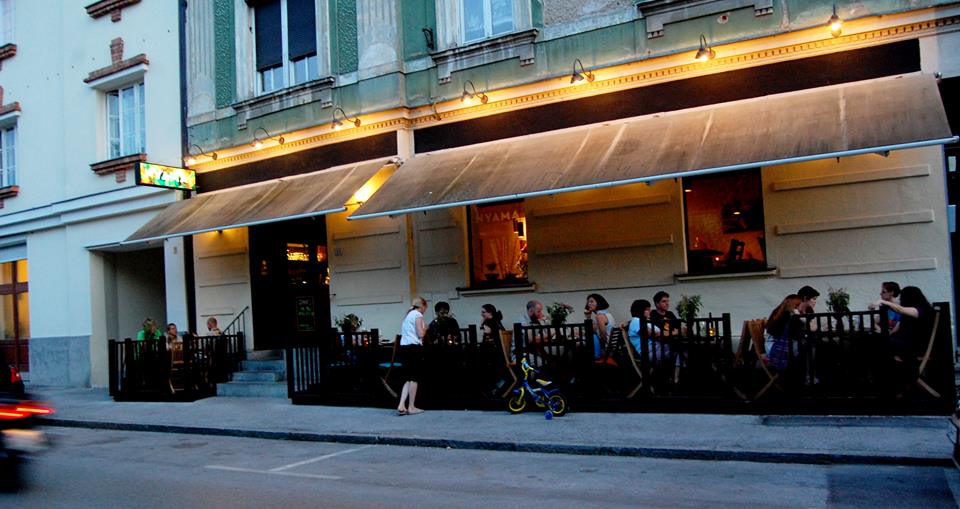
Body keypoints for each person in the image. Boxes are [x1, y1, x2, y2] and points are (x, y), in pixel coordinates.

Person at [872, 286, 934, 362]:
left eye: (902, 297)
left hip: (917, 344)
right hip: (907, 341)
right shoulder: (915, 310)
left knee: (881, 344)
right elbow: (898, 308)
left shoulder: (921, 310)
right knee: (877, 341)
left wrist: (883, 301)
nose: (900, 300)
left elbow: (900, 309)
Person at [397, 296, 427, 416]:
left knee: (407, 378)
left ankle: (401, 405)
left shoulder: (408, 315)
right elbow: (420, 334)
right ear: (422, 306)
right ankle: (411, 406)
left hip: (404, 348)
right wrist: (426, 329)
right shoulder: (418, 315)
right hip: (414, 348)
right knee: (414, 378)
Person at [585, 293, 615, 363]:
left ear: (598, 303)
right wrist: (588, 316)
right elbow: (593, 330)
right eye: (588, 302)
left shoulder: (600, 316)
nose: (588, 304)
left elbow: (603, 337)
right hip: (610, 348)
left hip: (606, 350)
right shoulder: (607, 314)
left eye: (591, 301)